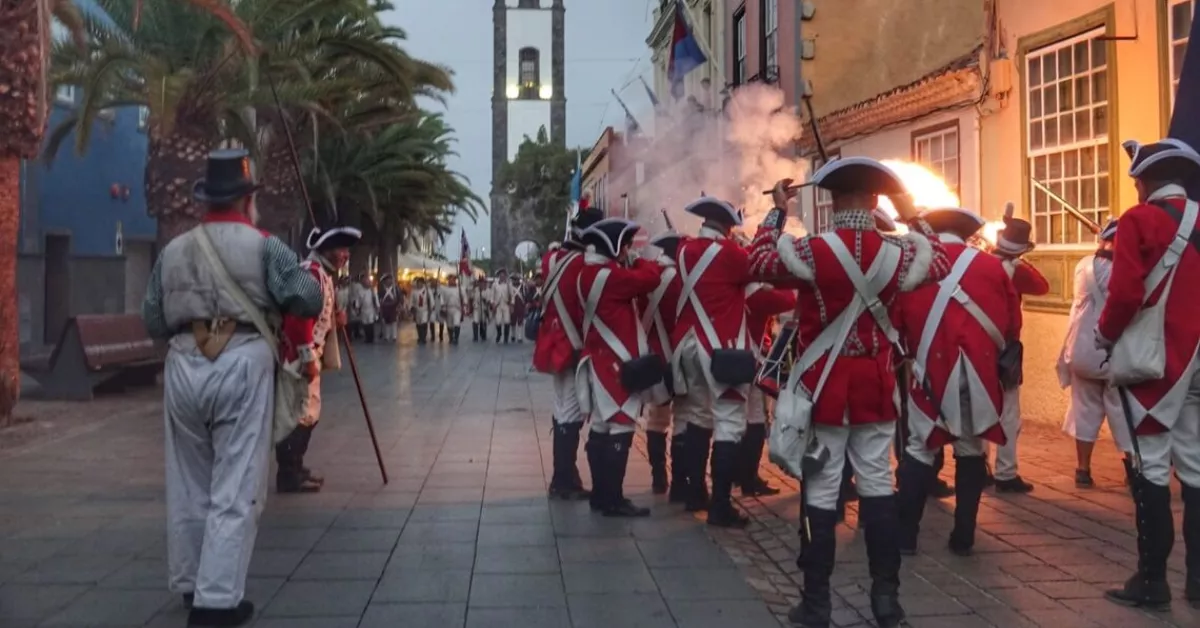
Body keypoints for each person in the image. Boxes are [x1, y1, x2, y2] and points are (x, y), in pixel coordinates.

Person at [748, 161, 951, 628]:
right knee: (879, 484)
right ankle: (886, 600)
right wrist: (911, 212)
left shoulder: (814, 250)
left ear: (833, 203)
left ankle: (817, 603)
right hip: (875, 387)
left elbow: (758, 262)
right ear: (875, 202)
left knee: (820, 488)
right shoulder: (898, 252)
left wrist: (778, 213)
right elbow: (939, 260)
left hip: (823, 388)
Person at [141, 148, 323, 626]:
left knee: (188, 482)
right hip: (242, 360)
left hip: (184, 360)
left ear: (206, 197)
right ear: (247, 201)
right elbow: (306, 297)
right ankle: (216, 600)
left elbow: (153, 317)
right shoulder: (265, 246)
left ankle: (191, 582)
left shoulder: (173, 251)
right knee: (236, 484)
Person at [1096, 138, 1200, 611]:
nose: (1135, 188)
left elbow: (1123, 295)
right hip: (1198, 361)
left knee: (1151, 468)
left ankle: (1152, 580)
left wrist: (1104, 335)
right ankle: (1197, 581)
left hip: (1157, 364)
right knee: (1197, 467)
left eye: (1136, 179)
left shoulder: (1138, 219)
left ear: (1148, 179)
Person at [894, 207, 1020, 558]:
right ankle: (963, 535)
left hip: (930, 370)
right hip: (979, 372)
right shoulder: (992, 266)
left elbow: (897, 321)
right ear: (966, 234)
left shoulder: (915, 267)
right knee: (970, 451)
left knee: (920, 449)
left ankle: (906, 536)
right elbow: (1012, 324)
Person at [671, 196, 760, 528]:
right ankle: (721, 505)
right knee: (730, 422)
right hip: (719, 346)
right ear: (727, 226)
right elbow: (760, 265)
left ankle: (696, 491)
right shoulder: (731, 254)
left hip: (689, 345)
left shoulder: (682, 250)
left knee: (697, 415)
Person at [575, 218, 663, 517]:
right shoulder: (610, 276)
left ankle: (601, 494)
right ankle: (612, 498)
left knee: (601, 426)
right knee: (621, 425)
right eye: (625, 245)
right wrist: (639, 261)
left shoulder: (589, 274)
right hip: (615, 361)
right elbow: (650, 279)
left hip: (600, 359)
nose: (627, 251)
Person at [276, 223, 360, 494]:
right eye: (341, 249)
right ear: (326, 250)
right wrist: (307, 358)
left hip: (310, 354)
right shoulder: (311, 276)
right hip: (297, 358)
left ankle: (296, 467)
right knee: (298, 415)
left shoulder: (321, 275)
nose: (346, 255)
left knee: (309, 412)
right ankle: (288, 474)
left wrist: (335, 319)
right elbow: (298, 322)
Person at [1056, 219, 1133, 487]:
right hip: (1115, 351)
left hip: (1082, 351)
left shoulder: (1082, 266)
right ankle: (1132, 470)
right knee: (1124, 413)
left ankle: (1083, 469)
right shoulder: (1126, 270)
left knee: (1084, 411)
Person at [535, 208, 604, 500]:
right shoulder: (582, 264)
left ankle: (564, 475)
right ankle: (564, 479)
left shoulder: (552, 258)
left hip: (553, 341)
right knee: (572, 411)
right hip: (572, 343)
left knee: (562, 407)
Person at [988, 206, 1049, 494]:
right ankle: (1006, 472)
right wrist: (1020, 259)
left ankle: (978, 467)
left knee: (980, 408)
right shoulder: (1017, 270)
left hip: (979, 344)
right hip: (1006, 347)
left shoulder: (980, 262)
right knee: (1009, 413)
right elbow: (1042, 286)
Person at [738, 282, 795, 498]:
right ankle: (748, 478)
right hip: (752, 358)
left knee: (740, 420)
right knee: (756, 419)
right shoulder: (755, 292)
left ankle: (740, 474)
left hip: (738, 353)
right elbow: (789, 298)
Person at [641, 231, 685, 497]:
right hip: (676, 355)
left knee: (656, 421)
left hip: (653, 355)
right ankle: (680, 481)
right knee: (682, 419)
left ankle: (659, 478)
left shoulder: (649, 277)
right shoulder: (680, 281)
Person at [437, 274, 466, 345]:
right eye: (450, 279)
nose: (451, 281)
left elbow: (464, 297)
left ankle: (456, 338)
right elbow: (441, 297)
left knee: (457, 323)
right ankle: (451, 337)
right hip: (448, 308)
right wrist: (442, 306)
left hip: (457, 308)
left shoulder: (460, 288)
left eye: (453, 279)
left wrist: (465, 303)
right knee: (449, 325)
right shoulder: (444, 289)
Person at [351, 274, 379, 343]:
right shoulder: (360, 291)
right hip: (364, 309)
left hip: (371, 309)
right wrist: (357, 308)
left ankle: (371, 338)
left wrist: (377, 307)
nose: (366, 283)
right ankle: (367, 337)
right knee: (365, 324)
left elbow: (376, 299)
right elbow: (358, 300)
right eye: (364, 281)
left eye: (367, 281)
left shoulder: (372, 290)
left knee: (370, 323)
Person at [491, 269, 515, 343]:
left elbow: (512, 295)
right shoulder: (495, 284)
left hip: (506, 304)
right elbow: (492, 295)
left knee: (507, 321)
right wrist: (492, 303)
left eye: (503, 275)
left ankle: (506, 337)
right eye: (501, 275)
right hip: (498, 305)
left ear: (505, 276)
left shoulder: (509, 284)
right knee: (498, 322)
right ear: (499, 276)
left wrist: (512, 304)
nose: (502, 277)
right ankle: (499, 333)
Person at [411, 276, 436, 345]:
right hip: (417, 310)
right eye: (418, 283)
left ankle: (423, 337)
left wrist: (432, 306)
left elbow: (431, 299)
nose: (419, 284)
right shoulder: (414, 292)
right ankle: (420, 336)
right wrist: (411, 308)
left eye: (421, 283)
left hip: (425, 309)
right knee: (418, 324)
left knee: (424, 323)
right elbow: (412, 301)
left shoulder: (427, 291)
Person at [378, 274, 401, 342]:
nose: (389, 281)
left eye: (390, 280)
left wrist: (398, 305)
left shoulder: (395, 289)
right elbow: (379, 298)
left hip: (393, 307)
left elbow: (399, 298)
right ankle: (387, 336)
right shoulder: (382, 290)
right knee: (386, 322)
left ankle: (394, 336)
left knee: (393, 322)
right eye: (387, 280)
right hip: (385, 307)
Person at [469, 277, 491, 342]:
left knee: (483, 321)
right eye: (480, 283)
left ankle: (483, 334)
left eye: (483, 283)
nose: (481, 284)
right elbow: (471, 297)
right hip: (476, 307)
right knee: (475, 321)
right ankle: (475, 336)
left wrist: (485, 300)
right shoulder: (475, 290)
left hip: (484, 308)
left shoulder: (488, 291)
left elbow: (489, 301)